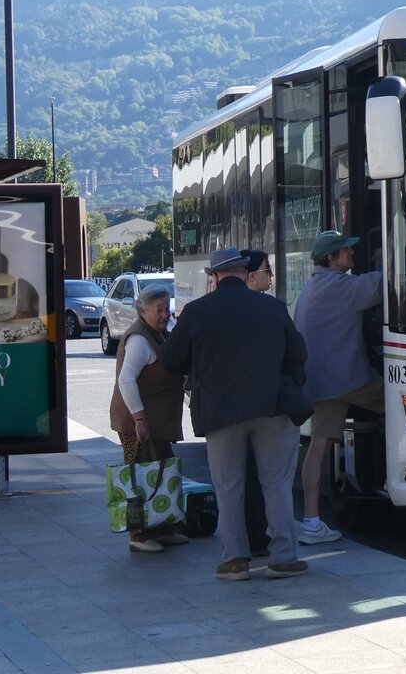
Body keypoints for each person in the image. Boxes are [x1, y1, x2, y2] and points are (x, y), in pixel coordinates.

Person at [161, 247, 309, 581]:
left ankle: (235, 561)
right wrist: (287, 383)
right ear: (245, 273)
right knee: (276, 484)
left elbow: (171, 360)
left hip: (220, 410)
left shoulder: (197, 312)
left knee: (228, 487)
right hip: (272, 405)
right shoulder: (272, 307)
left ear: (214, 276)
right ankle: (283, 557)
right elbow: (298, 353)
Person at [294, 230, 383, 545]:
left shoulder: (314, 286)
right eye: (346, 252)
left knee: (318, 447)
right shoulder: (340, 286)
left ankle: (311, 520)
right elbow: (386, 283)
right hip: (349, 381)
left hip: (319, 384)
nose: (352, 255)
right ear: (331, 258)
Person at [108, 285, 187, 553]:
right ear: (142, 312)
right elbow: (126, 379)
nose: (165, 315)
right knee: (139, 474)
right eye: (159, 310)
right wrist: (139, 418)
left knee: (162, 471)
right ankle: (138, 535)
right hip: (137, 422)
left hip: (158, 421)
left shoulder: (159, 334)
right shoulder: (139, 340)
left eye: (167, 308)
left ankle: (163, 528)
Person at [240, 248, 274, 557]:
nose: (272, 276)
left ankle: (242, 544)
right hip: (262, 407)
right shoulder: (268, 309)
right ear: (251, 276)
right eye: (267, 270)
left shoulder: (218, 308)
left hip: (228, 410)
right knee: (260, 477)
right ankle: (256, 536)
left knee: (237, 480)